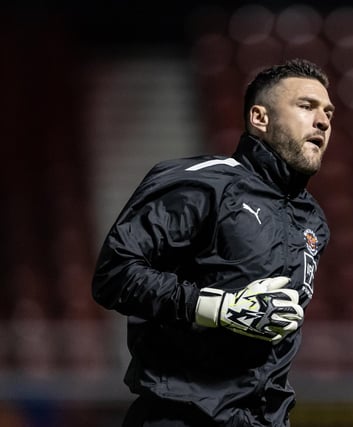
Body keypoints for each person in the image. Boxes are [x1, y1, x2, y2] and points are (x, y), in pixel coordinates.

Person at [92, 58, 335, 426]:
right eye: (306, 106)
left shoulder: (312, 219)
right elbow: (115, 274)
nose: (323, 120)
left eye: (328, 112)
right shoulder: (205, 183)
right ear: (260, 118)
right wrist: (217, 307)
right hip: (181, 416)